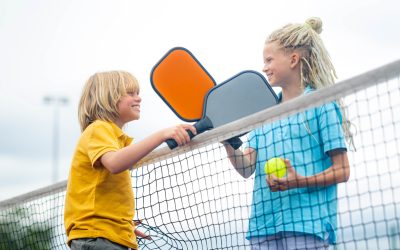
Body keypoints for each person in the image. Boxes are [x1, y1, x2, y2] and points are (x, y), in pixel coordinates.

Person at [224, 17, 352, 249]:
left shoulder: (321, 103)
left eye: (269, 60)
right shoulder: (263, 114)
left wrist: (299, 182)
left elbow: (342, 170)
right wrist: (228, 144)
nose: (264, 67)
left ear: (293, 59)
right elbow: (246, 168)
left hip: (308, 225)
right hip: (263, 227)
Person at [64, 71, 196, 250]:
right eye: (131, 93)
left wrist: (122, 228)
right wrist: (162, 134)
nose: (139, 98)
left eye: (138, 93)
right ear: (108, 98)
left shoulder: (112, 137)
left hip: (107, 236)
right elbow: (115, 163)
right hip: (96, 237)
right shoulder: (98, 129)